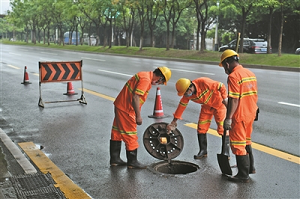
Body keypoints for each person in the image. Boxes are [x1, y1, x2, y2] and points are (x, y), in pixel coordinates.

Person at [110, 66, 172, 169]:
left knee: (117, 132)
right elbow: (135, 97)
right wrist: (138, 116)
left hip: (121, 105)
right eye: (161, 82)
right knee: (131, 135)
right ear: (160, 77)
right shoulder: (146, 80)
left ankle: (115, 159)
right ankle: (132, 162)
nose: (159, 83)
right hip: (126, 110)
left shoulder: (143, 75)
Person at [219, 49, 258, 183]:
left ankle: (242, 174)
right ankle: (250, 168)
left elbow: (234, 99)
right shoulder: (250, 73)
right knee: (246, 141)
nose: (224, 69)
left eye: (224, 66)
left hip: (240, 115)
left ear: (227, 63)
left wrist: (229, 118)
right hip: (251, 113)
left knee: (237, 144)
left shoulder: (233, 76)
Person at [167, 77, 228, 159]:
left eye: (185, 93)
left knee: (222, 128)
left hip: (219, 105)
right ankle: (203, 151)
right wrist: (174, 121)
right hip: (206, 107)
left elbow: (221, 86)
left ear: (190, 88)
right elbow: (181, 106)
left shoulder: (204, 82)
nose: (185, 95)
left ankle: (225, 152)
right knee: (201, 128)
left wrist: (225, 98)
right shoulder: (187, 95)